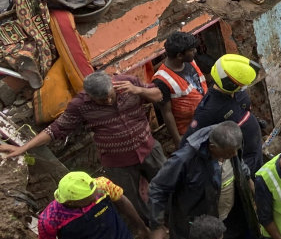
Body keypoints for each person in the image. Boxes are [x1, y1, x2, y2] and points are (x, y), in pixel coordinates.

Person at [3, 71, 166, 224]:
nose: (109, 102)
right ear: (90, 96)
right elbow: (55, 129)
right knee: (132, 200)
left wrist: (137, 90)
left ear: (112, 85)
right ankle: (151, 227)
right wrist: (23, 148)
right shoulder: (80, 105)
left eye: (110, 96)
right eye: (102, 101)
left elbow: (158, 95)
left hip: (149, 148)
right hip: (118, 163)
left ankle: (179, 214)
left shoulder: (129, 83)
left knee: (169, 181)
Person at [147, 121, 255, 239]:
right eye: (229, 153)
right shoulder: (185, 159)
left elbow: (240, 164)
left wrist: (249, 183)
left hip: (229, 217)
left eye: (236, 150)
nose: (234, 154)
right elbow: (158, 188)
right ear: (213, 148)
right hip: (195, 224)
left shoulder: (231, 144)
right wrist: (157, 226)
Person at [187, 54, 264, 173]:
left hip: (255, 150)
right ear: (230, 84)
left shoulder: (234, 90)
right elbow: (191, 143)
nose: (243, 88)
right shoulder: (207, 111)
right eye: (241, 86)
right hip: (242, 161)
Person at [152, 30, 207, 147]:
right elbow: (167, 112)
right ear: (179, 55)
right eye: (191, 50)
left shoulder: (190, 61)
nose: (195, 51)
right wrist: (178, 141)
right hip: (189, 131)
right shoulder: (161, 80)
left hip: (205, 120)